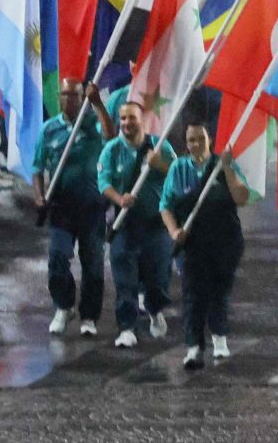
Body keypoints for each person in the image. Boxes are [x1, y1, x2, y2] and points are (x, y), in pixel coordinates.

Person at [159, 118, 248, 369]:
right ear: (186, 144)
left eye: (201, 138)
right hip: (192, 243)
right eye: (191, 140)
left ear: (210, 140)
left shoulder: (223, 166)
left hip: (224, 241)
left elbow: (241, 197)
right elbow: (166, 205)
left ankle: (220, 337)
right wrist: (174, 231)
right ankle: (194, 346)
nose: (196, 144)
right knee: (193, 294)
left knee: (219, 291)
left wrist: (227, 168)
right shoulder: (178, 169)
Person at [35, 79, 113, 338]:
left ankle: (89, 316)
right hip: (61, 208)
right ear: (59, 97)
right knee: (58, 258)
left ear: (83, 97)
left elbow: (112, 139)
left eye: (75, 95)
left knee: (93, 264)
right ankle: (64, 306)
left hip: (92, 208)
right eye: (65, 94)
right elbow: (37, 167)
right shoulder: (49, 130)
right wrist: (39, 194)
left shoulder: (94, 124)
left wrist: (98, 104)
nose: (70, 99)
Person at [99, 98, 174, 348]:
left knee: (158, 278)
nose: (126, 123)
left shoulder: (160, 146)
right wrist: (119, 199)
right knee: (124, 279)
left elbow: (179, 173)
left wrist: (159, 164)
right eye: (122, 118)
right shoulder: (111, 149)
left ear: (143, 120)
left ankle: (154, 309)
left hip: (156, 225)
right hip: (124, 226)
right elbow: (103, 183)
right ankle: (127, 327)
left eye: (131, 117)